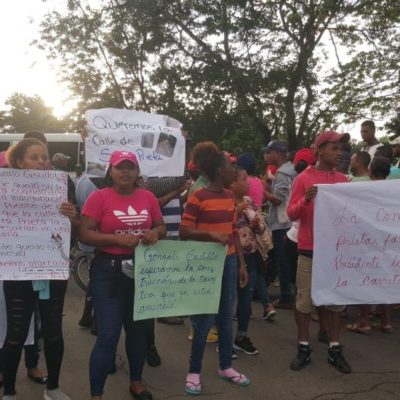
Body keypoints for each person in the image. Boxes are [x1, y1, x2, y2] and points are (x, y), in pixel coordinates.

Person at [79, 150, 166, 400]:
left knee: (138, 330)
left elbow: (160, 226)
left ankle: (136, 382)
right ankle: (96, 394)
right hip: (108, 269)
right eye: (120, 167)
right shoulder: (98, 197)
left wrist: (156, 233)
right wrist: (115, 238)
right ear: (110, 171)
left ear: (138, 172)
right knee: (108, 334)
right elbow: (85, 234)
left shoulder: (148, 197)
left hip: (142, 269)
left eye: (131, 167)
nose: (126, 171)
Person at [3, 138, 78, 400]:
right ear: (19, 161)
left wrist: (72, 216)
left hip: (52, 271)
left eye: (44, 157)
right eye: (34, 157)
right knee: (15, 332)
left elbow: (74, 232)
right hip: (18, 273)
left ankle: (53, 388)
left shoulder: (61, 184)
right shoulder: (5, 188)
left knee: (53, 332)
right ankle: (10, 392)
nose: (41, 162)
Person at [180, 142, 250, 395]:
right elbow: (184, 230)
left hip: (229, 261)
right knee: (203, 320)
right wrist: (211, 236)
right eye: (231, 166)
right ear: (220, 170)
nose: (234, 170)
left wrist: (241, 263)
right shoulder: (197, 196)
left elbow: (232, 232)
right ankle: (194, 371)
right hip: (205, 265)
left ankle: (225, 367)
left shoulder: (230, 196)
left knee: (225, 317)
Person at [287, 130, 352, 374]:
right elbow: (291, 213)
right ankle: (303, 346)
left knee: (334, 303)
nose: (339, 153)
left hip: (335, 251)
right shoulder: (304, 178)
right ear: (320, 150)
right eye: (334, 148)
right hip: (309, 249)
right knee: (304, 301)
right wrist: (305, 200)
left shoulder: (345, 180)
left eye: (341, 149)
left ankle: (335, 348)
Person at [346, 156, 393, 335]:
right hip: (389, 243)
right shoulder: (394, 190)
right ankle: (386, 322)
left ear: (371, 170)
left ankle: (364, 321)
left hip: (367, 242)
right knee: (386, 281)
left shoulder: (365, 189)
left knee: (366, 280)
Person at [232, 167, 273, 355]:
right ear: (232, 184)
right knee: (227, 299)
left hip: (252, 255)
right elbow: (228, 230)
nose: (247, 183)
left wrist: (257, 226)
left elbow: (260, 226)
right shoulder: (226, 202)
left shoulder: (249, 202)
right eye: (243, 179)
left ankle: (241, 336)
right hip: (232, 257)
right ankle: (223, 339)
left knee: (246, 298)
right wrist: (236, 215)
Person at [263, 140, 296, 309]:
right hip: (290, 222)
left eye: (269, 152)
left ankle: (285, 297)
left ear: (278, 153)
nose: (267, 155)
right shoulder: (289, 170)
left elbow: (277, 200)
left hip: (282, 223)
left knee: (283, 262)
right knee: (287, 261)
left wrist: (263, 190)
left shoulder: (283, 174)